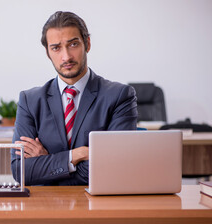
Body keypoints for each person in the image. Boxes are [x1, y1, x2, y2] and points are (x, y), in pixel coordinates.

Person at [11, 11, 138, 186]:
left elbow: (116, 167)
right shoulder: (30, 101)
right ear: (48, 53)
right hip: (46, 207)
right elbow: (21, 170)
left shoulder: (119, 96)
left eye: (73, 44)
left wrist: (49, 163)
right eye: (56, 48)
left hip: (98, 205)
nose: (66, 57)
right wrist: (76, 155)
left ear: (87, 43)